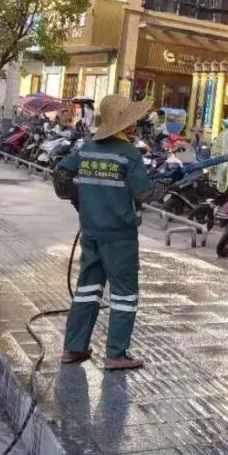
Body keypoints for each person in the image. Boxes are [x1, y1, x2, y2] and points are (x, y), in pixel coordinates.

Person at [53, 94, 155, 371]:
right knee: (124, 294)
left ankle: (73, 347)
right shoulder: (129, 154)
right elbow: (144, 194)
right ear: (124, 124)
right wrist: (162, 187)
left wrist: (79, 200)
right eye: (132, 120)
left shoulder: (87, 148)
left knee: (87, 289)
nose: (135, 125)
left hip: (91, 232)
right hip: (120, 237)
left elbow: (61, 175)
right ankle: (116, 354)